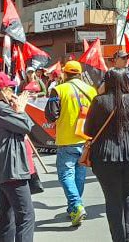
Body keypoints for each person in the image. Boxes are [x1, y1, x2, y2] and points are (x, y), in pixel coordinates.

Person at [84, 69, 129, 242]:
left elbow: (88, 130)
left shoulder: (99, 102)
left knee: (112, 199)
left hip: (105, 157)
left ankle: (119, 239)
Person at [0, 73, 35, 242]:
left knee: (7, 216)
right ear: (0, 90)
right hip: (10, 169)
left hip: (1, 169)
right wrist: (21, 109)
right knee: (26, 217)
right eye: (10, 88)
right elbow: (26, 125)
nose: (13, 92)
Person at [45, 60, 98, 227]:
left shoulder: (58, 89)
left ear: (65, 74)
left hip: (67, 140)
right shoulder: (91, 90)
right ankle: (73, 208)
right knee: (79, 175)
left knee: (66, 175)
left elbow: (51, 115)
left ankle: (76, 205)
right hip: (86, 139)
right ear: (80, 74)